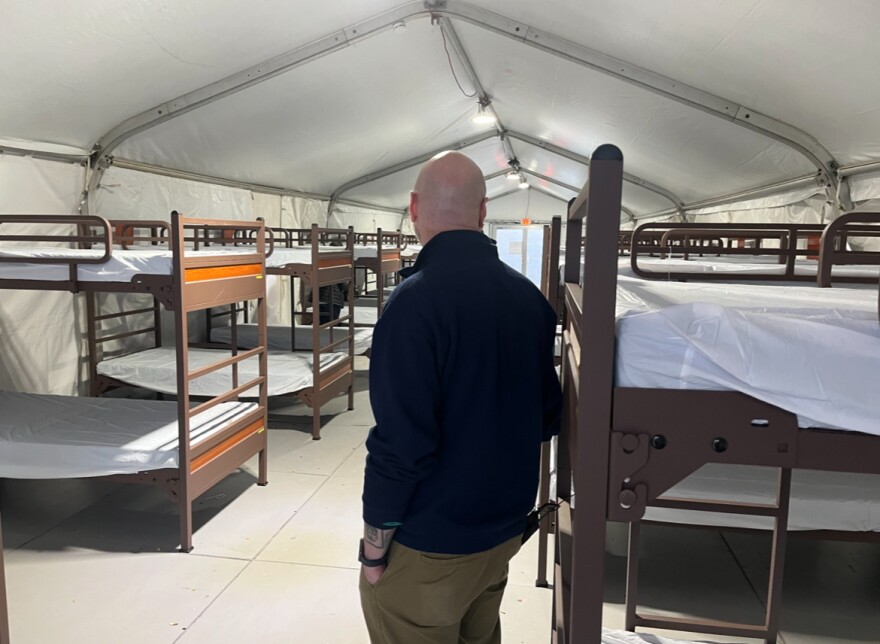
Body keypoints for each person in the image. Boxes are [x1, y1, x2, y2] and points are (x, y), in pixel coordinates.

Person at [359, 151, 562, 643]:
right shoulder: (528, 298)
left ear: (413, 208)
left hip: (433, 543)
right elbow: (548, 416)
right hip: (502, 532)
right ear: (483, 212)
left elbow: (402, 444)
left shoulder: (411, 304)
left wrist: (375, 545)